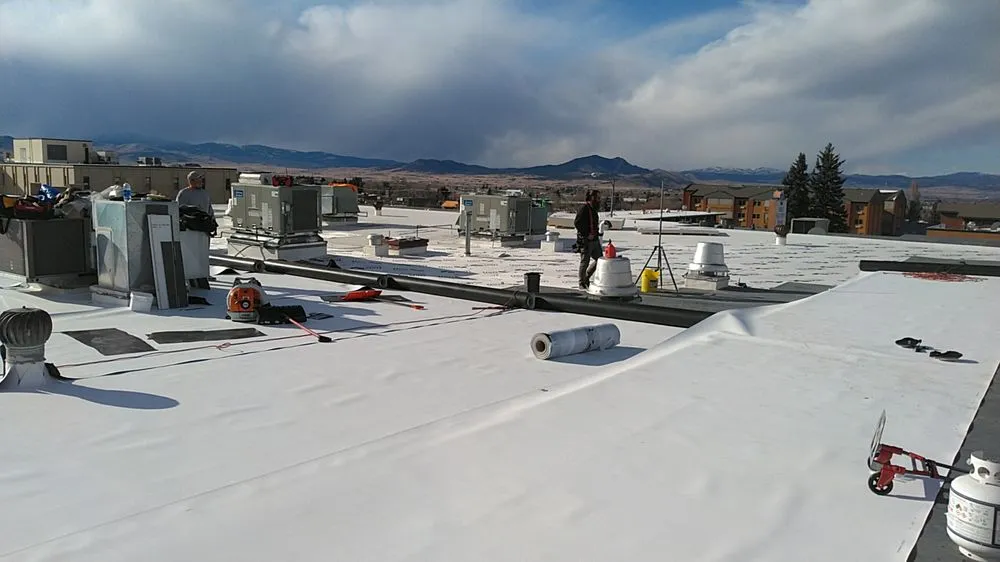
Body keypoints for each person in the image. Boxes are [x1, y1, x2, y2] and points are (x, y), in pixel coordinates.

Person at [574, 189, 603, 289]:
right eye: (597, 198)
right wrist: (586, 234)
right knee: (584, 262)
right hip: (586, 240)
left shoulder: (594, 210)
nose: (599, 200)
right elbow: (577, 223)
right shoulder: (584, 209)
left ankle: (586, 277)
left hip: (595, 239)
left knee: (600, 259)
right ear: (592, 198)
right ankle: (581, 282)